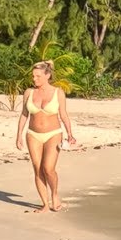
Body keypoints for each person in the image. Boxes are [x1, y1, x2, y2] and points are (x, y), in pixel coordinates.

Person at [15, 61, 77, 213]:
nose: (34, 79)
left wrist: (70, 134)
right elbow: (24, 114)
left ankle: (54, 194)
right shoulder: (29, 93)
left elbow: (63, 115)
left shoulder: (58, 92)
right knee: (37, 169)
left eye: (38, 76)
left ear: (47, 75)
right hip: (33, 134)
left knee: (48, 168)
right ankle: (44, 204)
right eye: (33, 76)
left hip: (53, 134)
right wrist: (19, 135)